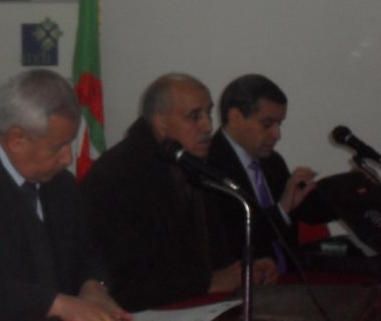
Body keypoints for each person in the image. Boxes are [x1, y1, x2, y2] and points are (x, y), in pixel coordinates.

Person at [0, 69, 132, 321]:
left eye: (69, 143)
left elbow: (88, 252)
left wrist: (93, 287)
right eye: (57, 147)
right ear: (17, 139)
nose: (67, 158)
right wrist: (59, 305)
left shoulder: (61, 185)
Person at [80, 73, 277, 312]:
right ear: (161, 123)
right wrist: (206, 282)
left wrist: (246, 269)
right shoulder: (115, 176)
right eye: (194, 116)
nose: (208, 126)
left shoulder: (192, 165)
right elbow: (120, 281)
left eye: (208, 113)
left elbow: (213, 255)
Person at [207, 74, 336, 272]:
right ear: (236, 118)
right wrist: (282, 209)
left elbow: (306, 213)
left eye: (279, 124)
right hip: (246, 283)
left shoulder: (272, 161)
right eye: (267, 124)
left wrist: (351, 191)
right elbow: (232, 239)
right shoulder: (209, 166)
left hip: (292, 279)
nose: (277, 135)